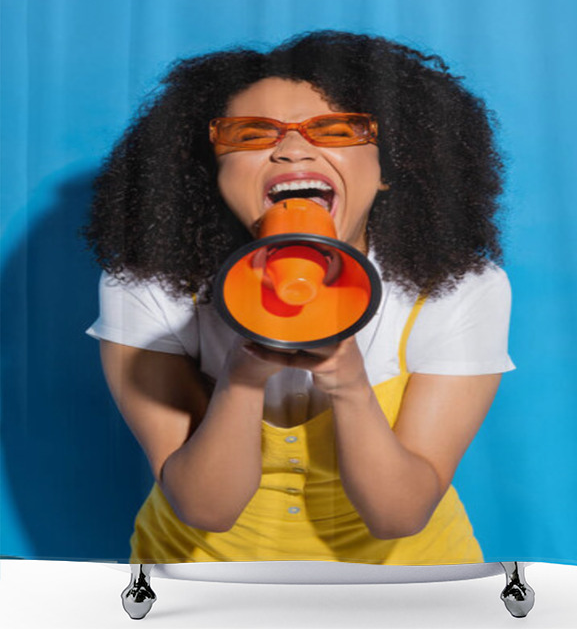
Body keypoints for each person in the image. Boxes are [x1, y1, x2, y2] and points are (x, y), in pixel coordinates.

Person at [82, 29, 515, 564]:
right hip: (201, 589)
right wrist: (243, 373)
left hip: (406, 590)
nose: (291, 149)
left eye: (333, 129)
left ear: (388, 167)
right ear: (211, 173)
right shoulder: (143, 284)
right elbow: (206, 509)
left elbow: (398, 515)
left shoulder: (459, 288)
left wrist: (350, 382)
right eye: (251, 134)